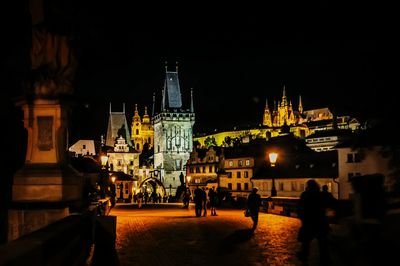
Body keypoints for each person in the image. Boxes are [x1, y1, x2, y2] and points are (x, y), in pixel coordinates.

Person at [297, 179, 331, 265]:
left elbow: (300, 208)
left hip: (308, 222)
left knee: (306, 242)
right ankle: (324, 260)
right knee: (322, 243)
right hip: (320, 221)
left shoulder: (305, 195)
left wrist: (302, 218)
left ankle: (304, 258)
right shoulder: (321, 195)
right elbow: (332, 203)